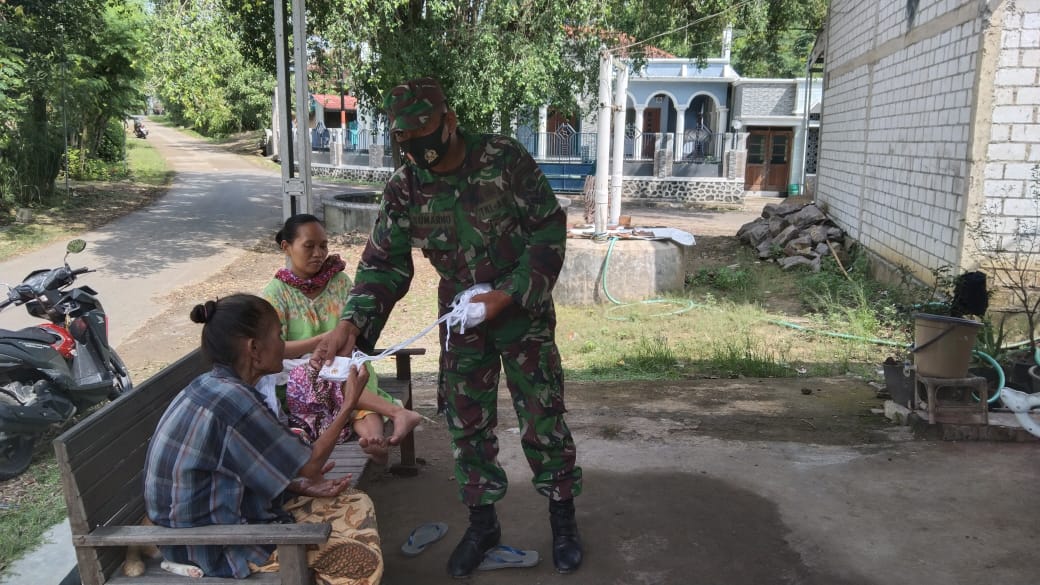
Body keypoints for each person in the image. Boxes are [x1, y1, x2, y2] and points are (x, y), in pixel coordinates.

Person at [312, 77, 583, 576]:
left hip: (521, 312)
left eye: (424, 136)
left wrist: (508, 293)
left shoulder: (504, 159)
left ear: (449, 122)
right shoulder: (406, 185)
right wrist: (352, 323)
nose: (417, 150)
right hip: (460, 317)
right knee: (466, 422)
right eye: (405, 142)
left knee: (543, 414)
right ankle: (484, 525)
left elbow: (548, 227)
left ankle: (562, 515)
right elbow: (384, 264)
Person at [144, 294, 383, 583]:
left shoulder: (216, 386)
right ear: (254, 349)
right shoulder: (236, 401)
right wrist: (349, 402)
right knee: (360, 562)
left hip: (198, 532)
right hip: (214, 545)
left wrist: (298, 488)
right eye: (279, 335)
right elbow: (311, 465)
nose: (283, 344)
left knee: (353, 501)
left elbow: (236, 469)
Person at [260, 213, 421, 465]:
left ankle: (375, 442)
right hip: (298, 373)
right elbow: (276, 349)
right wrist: (322, 341)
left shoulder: (340, 282)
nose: (318, 253)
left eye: (323, 245)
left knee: (355, 377)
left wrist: (341, 349)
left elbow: (357, 328)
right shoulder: (275, 294)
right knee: (333, 381)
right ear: (286, 247)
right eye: (309, 246)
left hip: (344, 361)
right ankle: (397, 414)